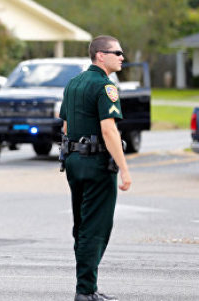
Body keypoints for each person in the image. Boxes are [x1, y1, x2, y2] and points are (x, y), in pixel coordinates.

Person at [59, 36, 132, 301]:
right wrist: (124, 169)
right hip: (98, 164)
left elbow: (66, 126)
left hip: (74, 162)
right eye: (117, 52)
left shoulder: (73, 83)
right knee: (95, 228)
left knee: (81, 226)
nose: (122, 57)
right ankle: (86, 290)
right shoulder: (105, 86)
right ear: (100, 55)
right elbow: (108, 129)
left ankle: (87, 285)